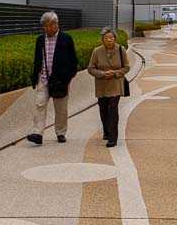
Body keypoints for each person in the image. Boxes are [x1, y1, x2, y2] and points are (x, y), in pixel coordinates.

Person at [27, 12, 78, 145]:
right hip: (43, 79)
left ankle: (60, 132)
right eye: (45, 26)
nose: (48, 28)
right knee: (40, 105)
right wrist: (35, 77)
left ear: (56, 24)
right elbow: (37, 60)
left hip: (60, 81)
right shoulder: (40, 40)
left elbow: (73, 61)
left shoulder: (66, 38)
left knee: (61, 109)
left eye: (50, 25)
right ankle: (37, 133)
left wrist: (67, 78)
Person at [88, 27, 130, 148]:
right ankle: (106, 131)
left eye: (111, 37)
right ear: (102, 40)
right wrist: (101, 74)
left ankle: (113, 137)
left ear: (115, 39)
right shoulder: (97, 51)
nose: (109, 40)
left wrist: (115, 73)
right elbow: (91, 68)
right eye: (106, 38)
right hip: (102, 85)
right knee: (103, 109)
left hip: (116, 85)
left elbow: (126, 67)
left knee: (113, 109)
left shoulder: (121, 50)